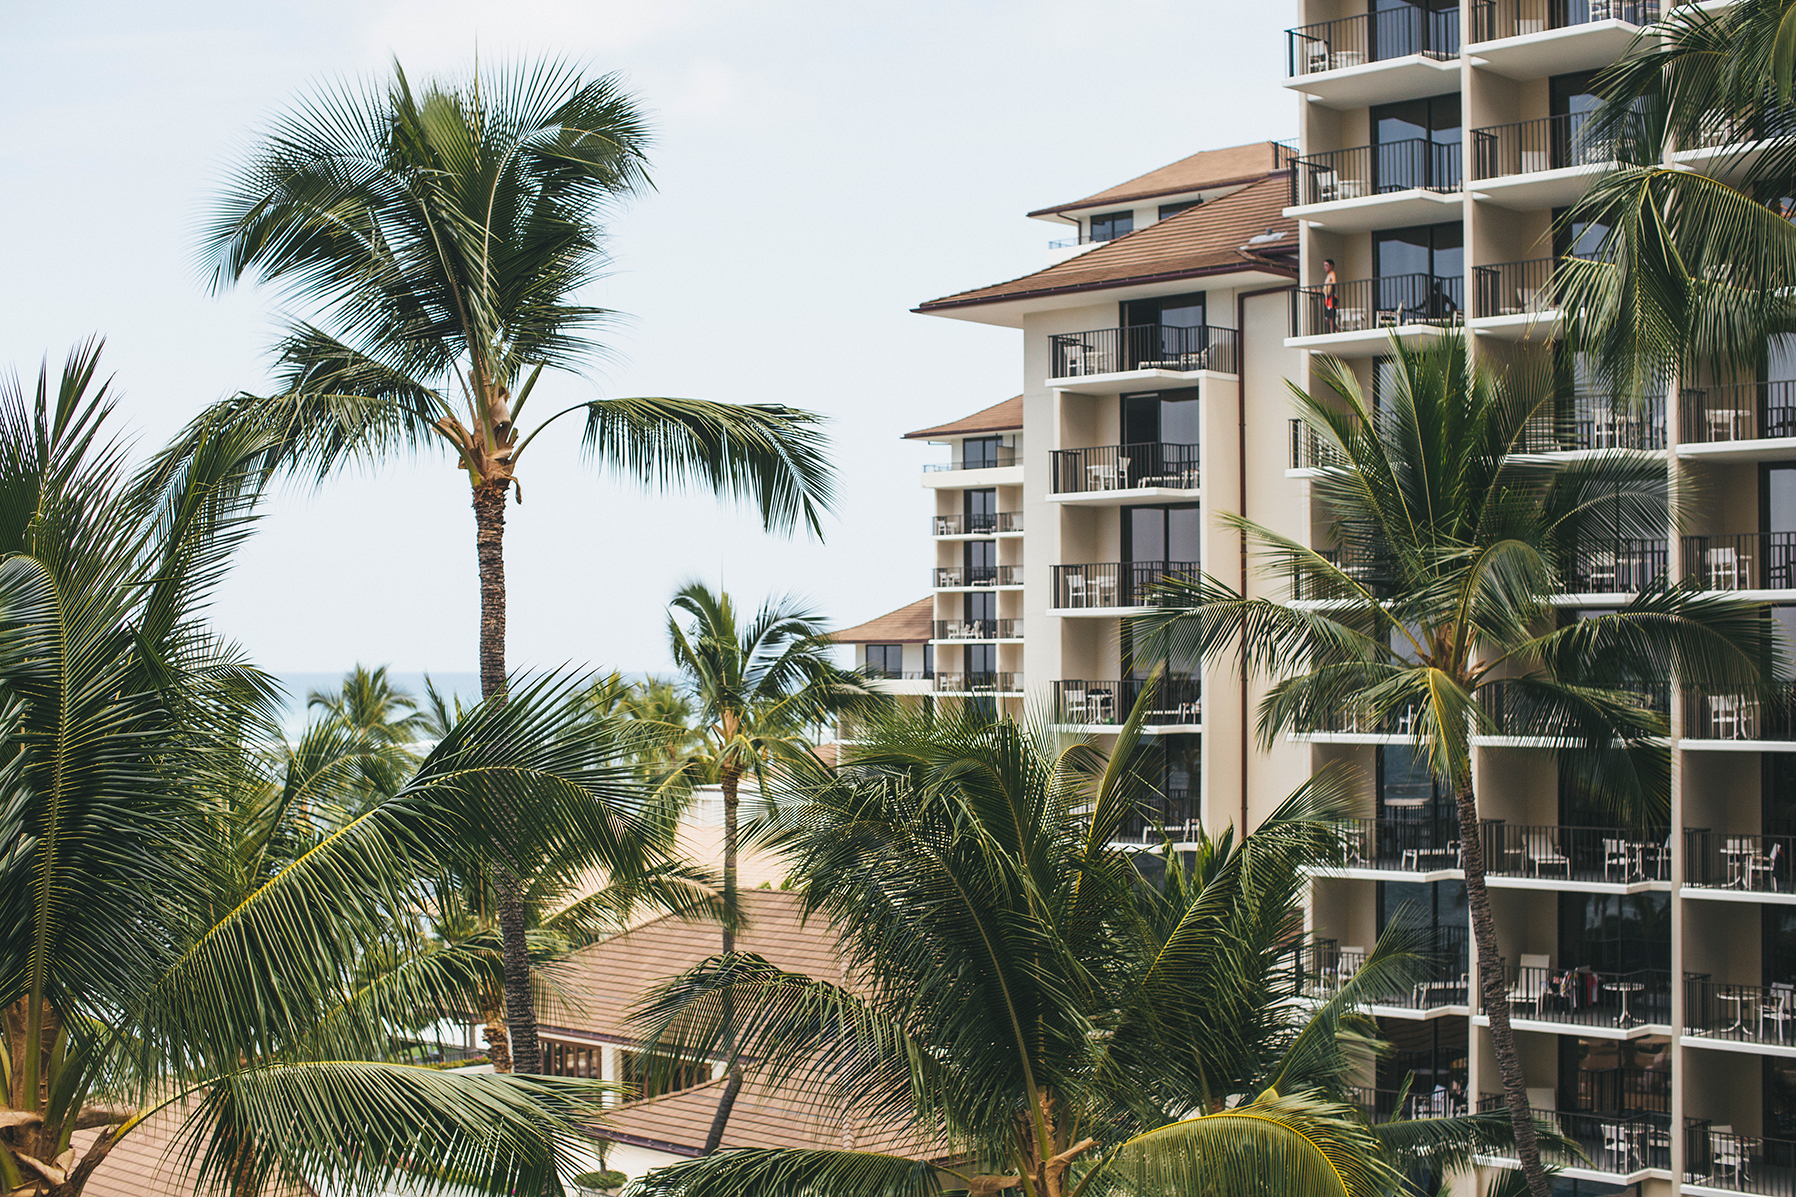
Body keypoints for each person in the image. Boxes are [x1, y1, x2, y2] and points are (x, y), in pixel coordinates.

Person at [1322, 258, 1339, 332]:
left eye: (1326, 265)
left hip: (1331, 298)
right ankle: (1338, 330)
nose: (1325, 267)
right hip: (1327, 298)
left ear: (1331, 266)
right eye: (1324, 265)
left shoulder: (1332, 273)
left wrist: (1329, 289)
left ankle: (1333, 332)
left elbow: (1334, 282)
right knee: (1328, 318)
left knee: (1331, 316)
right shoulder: (1328, 275)